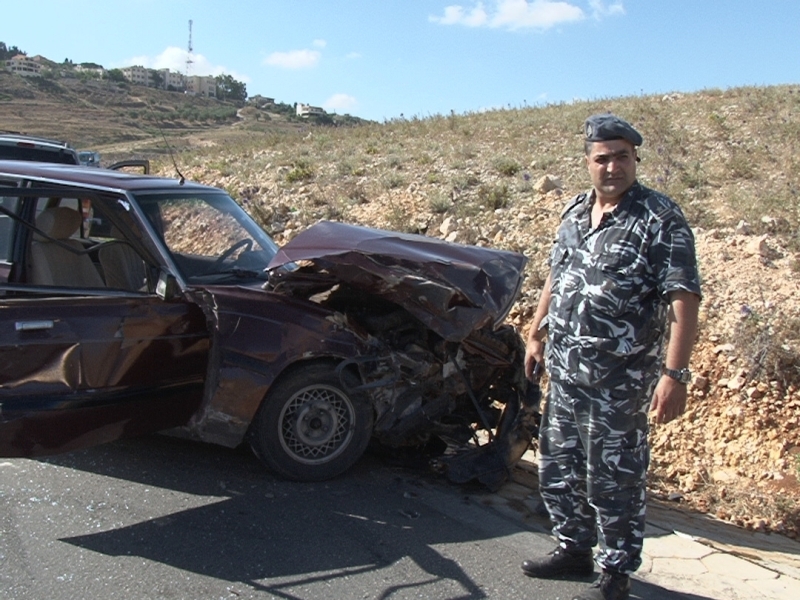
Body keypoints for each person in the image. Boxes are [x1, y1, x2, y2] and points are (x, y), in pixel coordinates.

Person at [520, 113, 701, 600]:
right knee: (558, 468)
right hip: (565, 370)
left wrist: (675, 374)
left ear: (635, 159)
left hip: (619, 380)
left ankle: (615, 574)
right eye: (603, 158)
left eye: (622, 157)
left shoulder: (659, 219)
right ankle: (573, 549)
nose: (613, 167)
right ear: (588, 163)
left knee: (613, 479)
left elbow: (683, 299)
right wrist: (536, 334)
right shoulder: (575, 212)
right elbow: (558, 279)